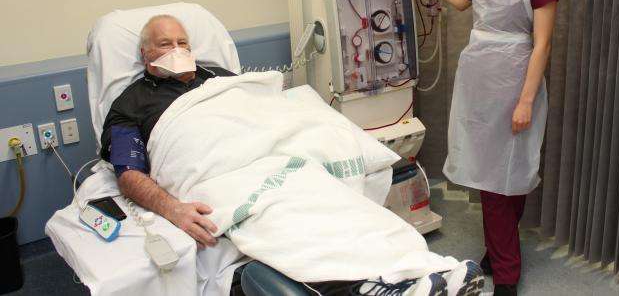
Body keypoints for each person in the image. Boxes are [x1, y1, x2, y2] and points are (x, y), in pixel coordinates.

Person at [101, 15, 484, 296]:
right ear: (144, 53)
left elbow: (269, 112)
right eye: (165, 44)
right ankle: (374, 284)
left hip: (273, 157)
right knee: (285, 218)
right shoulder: (130, 105)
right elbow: (128, 174)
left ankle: (422, 269)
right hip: (220, 176)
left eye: (183, 43)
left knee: (335, 201)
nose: (177, 51)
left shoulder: (220, 77)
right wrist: (174, 210)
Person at [417, 0, 558, 296]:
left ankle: (507, 276)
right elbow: (462, 2)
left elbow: (543, 42)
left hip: (515, 83)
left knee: (505, 182)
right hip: (478, 82)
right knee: (493, 178)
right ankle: (499, 253)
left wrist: (526, 101)